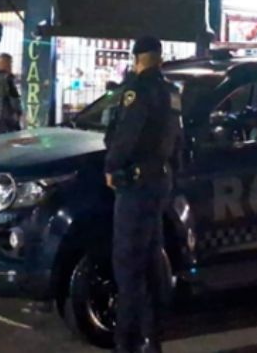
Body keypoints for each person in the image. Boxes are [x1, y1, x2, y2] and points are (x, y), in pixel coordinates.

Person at [105, 36, 182, 353]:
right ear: (160, 58)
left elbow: (126, 136)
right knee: (152, 261)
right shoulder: (171, 92)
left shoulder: (137, 90)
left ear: (137, 59)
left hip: (136, 185)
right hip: (160, 181)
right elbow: (177, 139)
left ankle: (127, 342)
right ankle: (153, 338)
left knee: (127, 266)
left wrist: (111, 167)